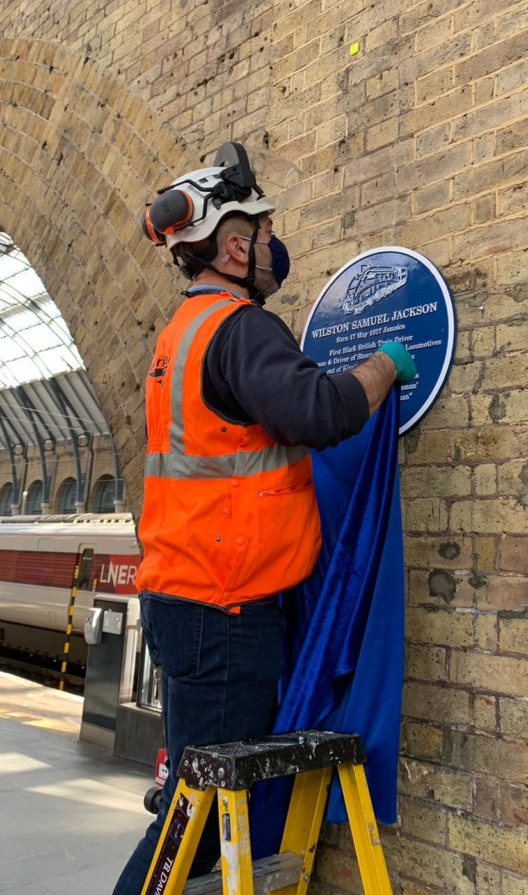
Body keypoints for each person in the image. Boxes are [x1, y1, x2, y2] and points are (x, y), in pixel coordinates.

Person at [113, 143, 416, 893]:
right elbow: (317, 411)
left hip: (191, 599)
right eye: (263, 229)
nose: (272, 246)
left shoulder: (180, 336)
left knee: (198, 811)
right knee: (197, 826)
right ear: (234, 243)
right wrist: (384, 366)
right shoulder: (241, 330)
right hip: (225, 609)